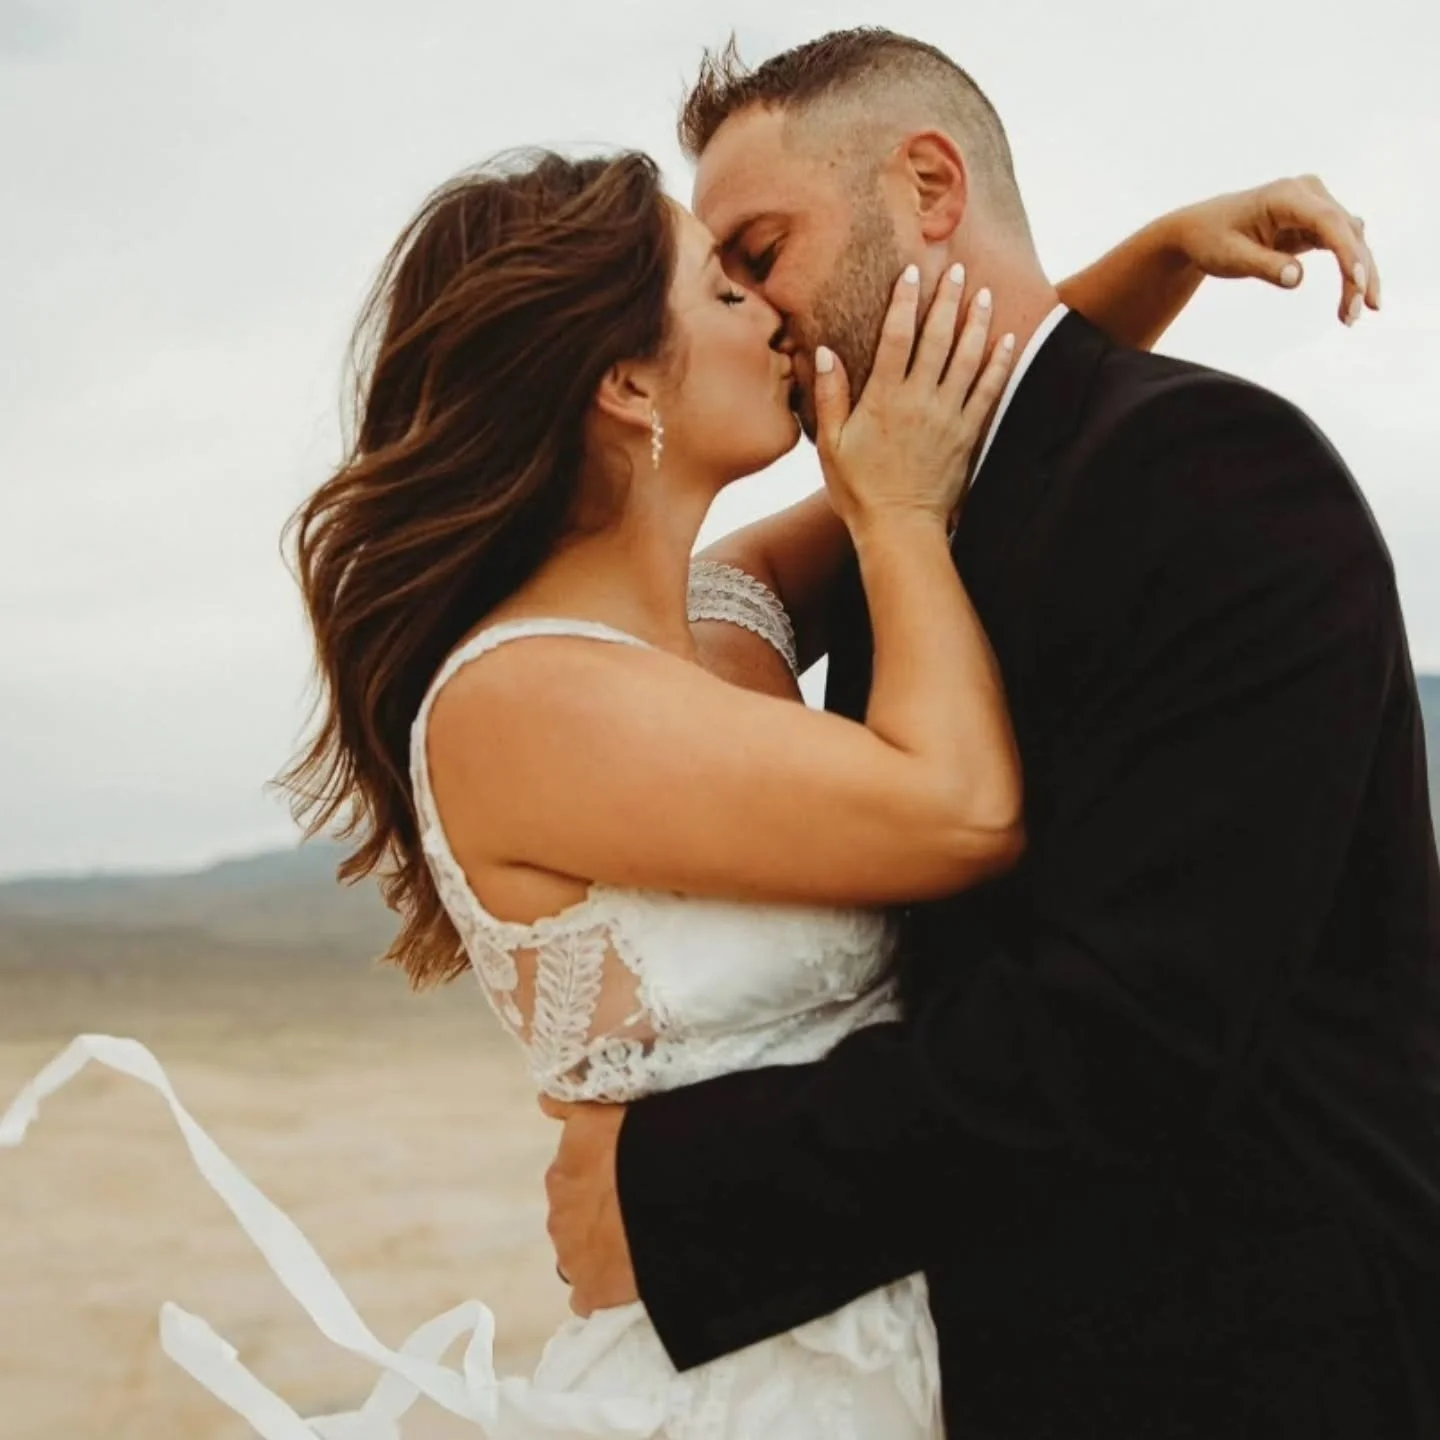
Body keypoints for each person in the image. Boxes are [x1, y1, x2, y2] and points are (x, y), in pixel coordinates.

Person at [0, 137, 1390, 1439]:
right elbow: (962, 810)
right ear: (625, 381)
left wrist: (1150, 263)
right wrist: (894, 519)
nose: (779, 320)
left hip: (892, 1313)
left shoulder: (712, 627)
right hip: (749, 1381)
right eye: (728, 286)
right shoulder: (522, 702)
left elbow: (963, 421)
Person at [541, 27, 1440, 1440]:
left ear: (929, 186)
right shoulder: (904, 519)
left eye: (762, 253)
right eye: (723, 280)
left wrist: (676, 1195)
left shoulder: (1219, 477)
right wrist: (1149, 260)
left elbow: (1139, 1028)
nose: (763, 317)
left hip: (1252, 1374)